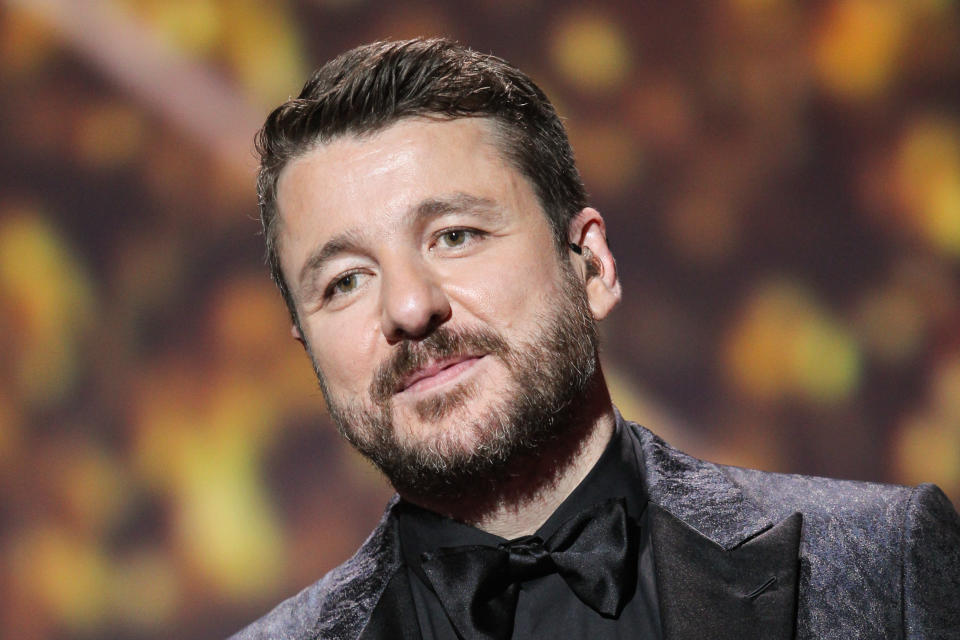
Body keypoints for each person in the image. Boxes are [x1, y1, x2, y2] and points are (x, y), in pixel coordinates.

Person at [230, 38, 960, 640]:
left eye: (455, 235)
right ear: (307, 349)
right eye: (344, 282)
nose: (410, 307)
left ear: (593, 265)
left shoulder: (878, 565)